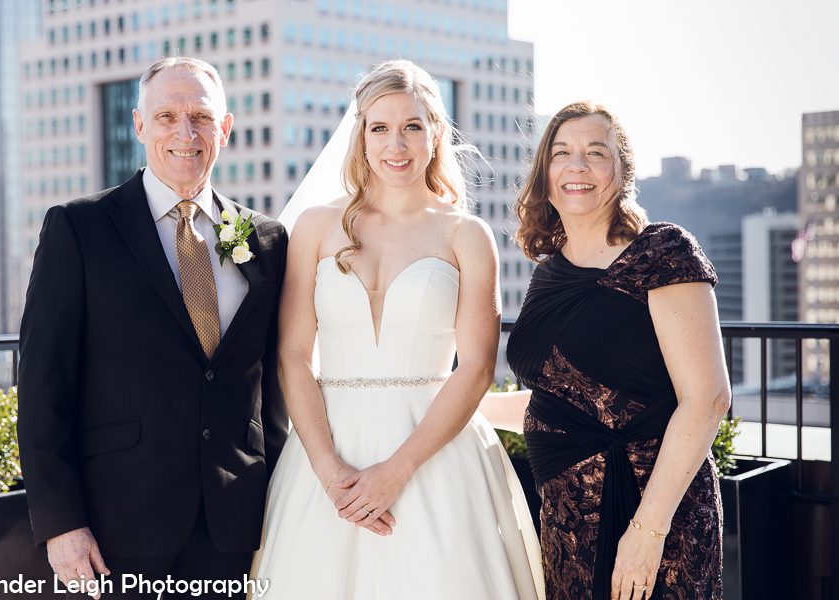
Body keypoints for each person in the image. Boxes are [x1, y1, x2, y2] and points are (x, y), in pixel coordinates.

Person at [251, 59, 545, 599]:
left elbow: (477, 367)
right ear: (360, 137)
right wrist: (329, 473)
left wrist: (396, 471)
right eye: (380, 127)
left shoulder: (467, 236)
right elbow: (293, 354)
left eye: (412, 126)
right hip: (326, 450)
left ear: (435, 133)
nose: (397, 144)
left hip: (436, 452)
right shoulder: (316, 227)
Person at [17, 57, 288, 598]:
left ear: (225, 129)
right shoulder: (78, 229)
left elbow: (275, 388)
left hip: (237, 524)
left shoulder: (268, 241)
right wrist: (59, 524)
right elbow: (44, 387)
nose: (185, 133)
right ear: (139, 125)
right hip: (117, 526)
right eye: (166, 116)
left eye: (201, 117)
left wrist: (285, 503)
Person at [482, 101, 730, 599]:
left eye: (596, 152)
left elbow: (707, 400)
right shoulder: (547, 273)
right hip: (569, 519)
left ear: (622, 172)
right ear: (545, 173)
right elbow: (562, 405)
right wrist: (441, 404)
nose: (577, 166)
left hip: (657, 516)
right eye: (562, 153)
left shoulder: (662, 252)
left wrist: (647, 532)